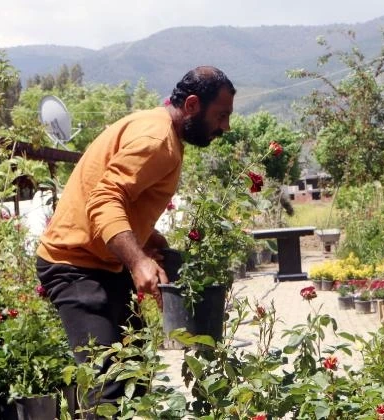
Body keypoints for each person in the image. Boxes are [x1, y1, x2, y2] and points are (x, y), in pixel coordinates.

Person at [35, 66, 235, 408]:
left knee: (135, 376)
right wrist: (139, 260)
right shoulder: (156, 140)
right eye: (220, 115)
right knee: (110, 388)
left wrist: (146, 236)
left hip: (102, 266)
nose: (225, 127)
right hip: (74, 266)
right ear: (191, 105)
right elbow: (105, 198)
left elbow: (119, 198)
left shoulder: (158, 128)